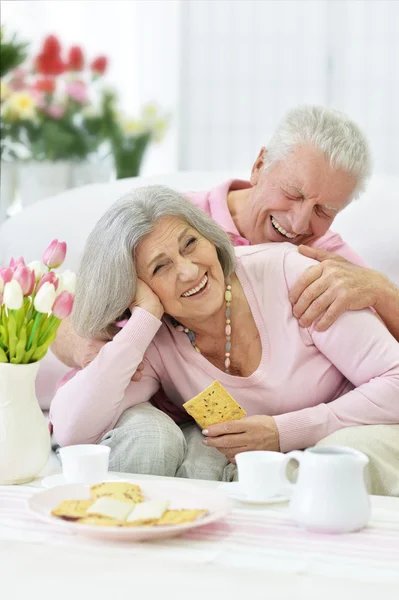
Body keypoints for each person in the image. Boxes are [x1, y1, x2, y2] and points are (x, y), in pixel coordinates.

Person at [49, 186, 399, 494]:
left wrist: (283, 432)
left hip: (352, 430)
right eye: (160, 267)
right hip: (254, 466)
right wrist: (142, 320)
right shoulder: (155, 336)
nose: (188, 271)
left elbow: (394, 380)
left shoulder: (291, 274)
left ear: (210, 239)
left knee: (338, 461)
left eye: (190, 244)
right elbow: (71, 430)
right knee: (200, 462)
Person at [52, 104, 398, 372]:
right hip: (145, 405)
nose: (300, 220)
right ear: (259, 165)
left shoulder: (329, 259)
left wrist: (381, 291)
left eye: (325, 210)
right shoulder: (172, 224)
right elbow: (60, 308)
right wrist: (79, 345)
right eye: (292, 192)